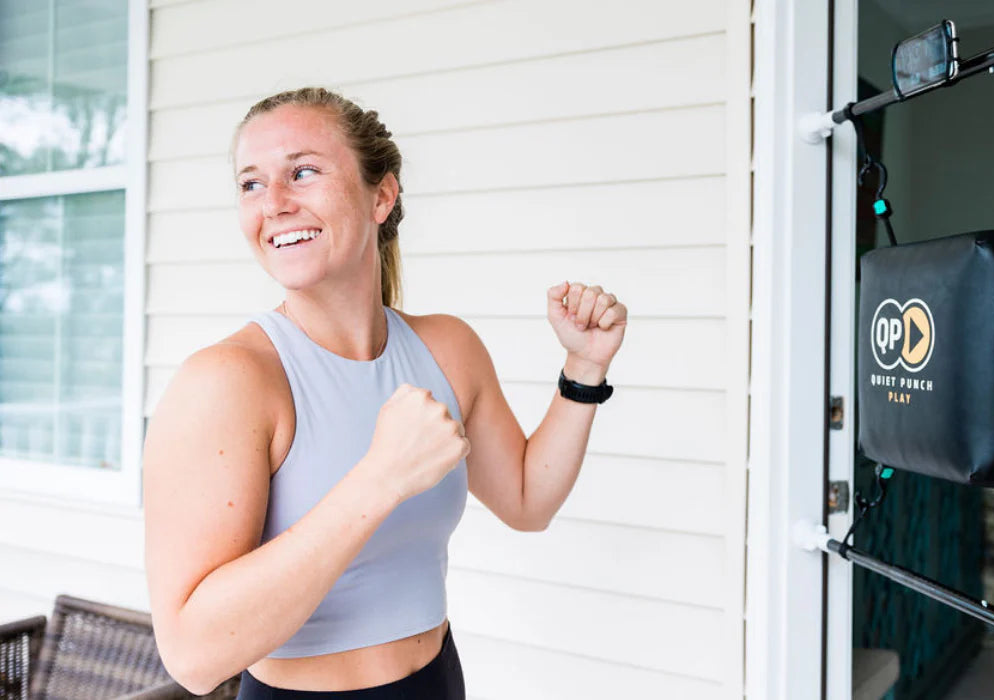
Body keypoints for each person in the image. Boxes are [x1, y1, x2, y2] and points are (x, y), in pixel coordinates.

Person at [141, 87, 628, 698]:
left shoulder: (447, 348)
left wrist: (583, 370)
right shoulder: (229, 381)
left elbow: (528, 502)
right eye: (251, 184)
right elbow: (192, 655)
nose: (276, 204)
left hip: (437, 682)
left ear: (382, 195)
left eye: (303, 171)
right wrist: (379, 478)